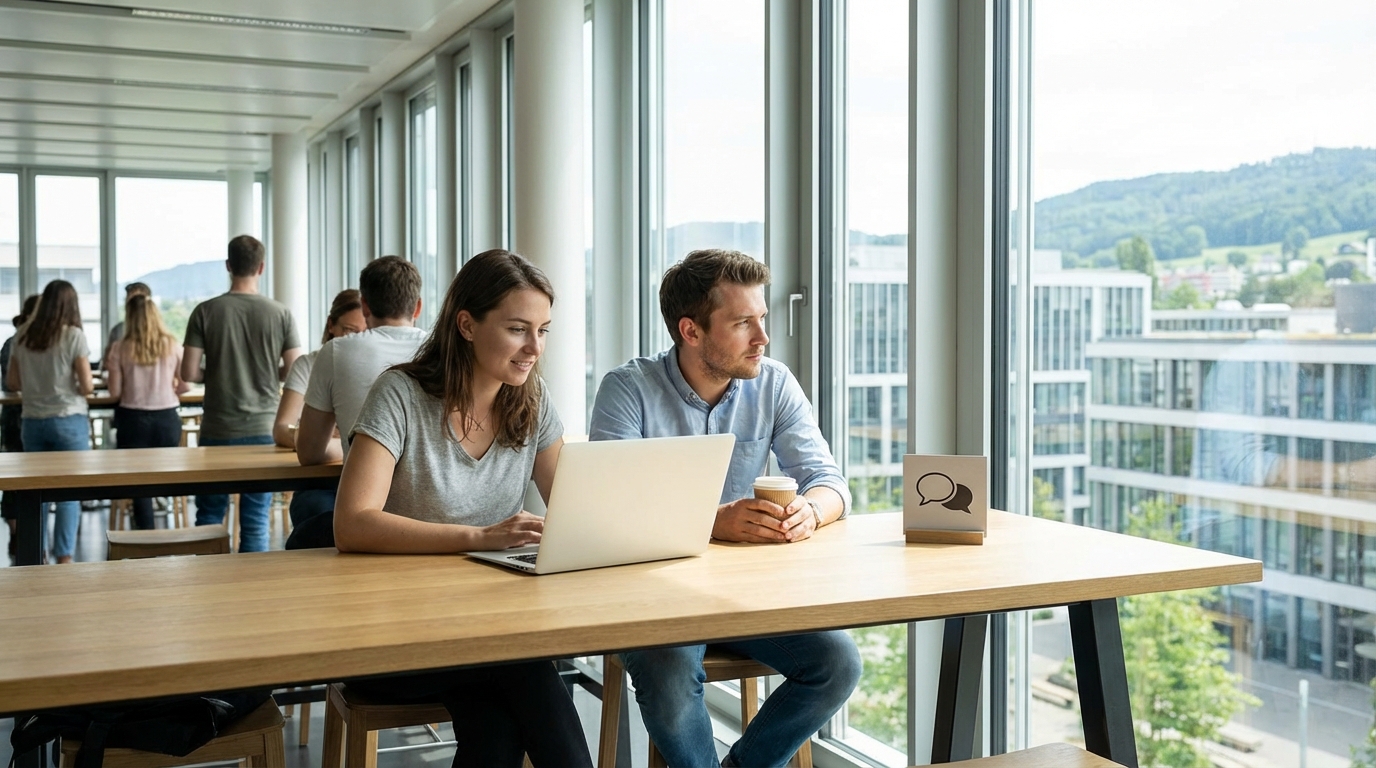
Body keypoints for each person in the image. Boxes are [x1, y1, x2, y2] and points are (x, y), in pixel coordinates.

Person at [589, 248, 862, 768]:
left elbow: (829, 482)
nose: (762, 338)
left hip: (747, 595)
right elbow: (610, 512)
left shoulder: (774, 382)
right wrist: (713, 521)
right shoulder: (628, 389)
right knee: (669, 678)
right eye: (743, 323)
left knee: (838, 663)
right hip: (653, 598)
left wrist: (811, 511)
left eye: (762, 319)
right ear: (691, 331)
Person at [334, 249, 592, 768]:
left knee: (496, 729)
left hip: (484, 630)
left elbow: (577, 507)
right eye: (519, 329)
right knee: (524, 672)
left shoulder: (530, 401)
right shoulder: (400, 394)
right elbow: (352, 524)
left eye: (543, 331)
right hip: (393, 634)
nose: (534, 348)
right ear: (467, 325)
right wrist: (478, 537)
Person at [181, 235, 303, 553]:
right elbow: (293, 370)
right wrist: (265, 372)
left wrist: (220, 372)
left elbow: (189, 373)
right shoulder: (281, 314)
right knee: (256, 519)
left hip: (217, 429)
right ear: (261, 267)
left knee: (208, 517)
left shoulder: (204, 311)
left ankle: (206, 589)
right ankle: (251, 595)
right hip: (264, 430)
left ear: (228, 266)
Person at [293, 257, 426, 526]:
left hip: (368, 513)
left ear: (364, 306)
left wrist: (352, 449)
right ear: (418, 307)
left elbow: (309, 453)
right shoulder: (445, 351)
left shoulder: (336, 352)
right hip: (437, 515)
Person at [6, 281, 95, 564]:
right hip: (69, 420)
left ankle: (37, 555)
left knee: (37, 492)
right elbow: (87, 386)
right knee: (69, 492)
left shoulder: (22, 335)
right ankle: (65, 558)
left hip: (33, 421)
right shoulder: (74, 336)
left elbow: (12, 382)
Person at [106, 294, 191, 530]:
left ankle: (146, 538)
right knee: (163, 475)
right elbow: (186, 384)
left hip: (133, 419)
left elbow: (114, 391)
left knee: (139, 483)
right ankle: (174, 527)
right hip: (166, 418)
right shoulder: (172, 344)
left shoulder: (119, 347)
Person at [272, 289, 364, 451]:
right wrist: (313, 438)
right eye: (350, 331)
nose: (357, 340)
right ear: (331, 325)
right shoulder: (307, 365)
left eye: (366, 333)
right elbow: (281, 428)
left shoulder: (377, 366)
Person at [1, 294, 39, 561]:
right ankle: (36, 540)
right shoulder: (41, 340)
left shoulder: (11, 342)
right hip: (31, 415)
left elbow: (8, 382)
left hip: (13, 415)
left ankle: (17, 532)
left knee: (15, 478)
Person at [101, 282, 151, 370]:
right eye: (128, 301)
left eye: (136, 302)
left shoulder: (159, 336)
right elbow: (106, 364)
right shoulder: (118, 331)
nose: (131, 306)